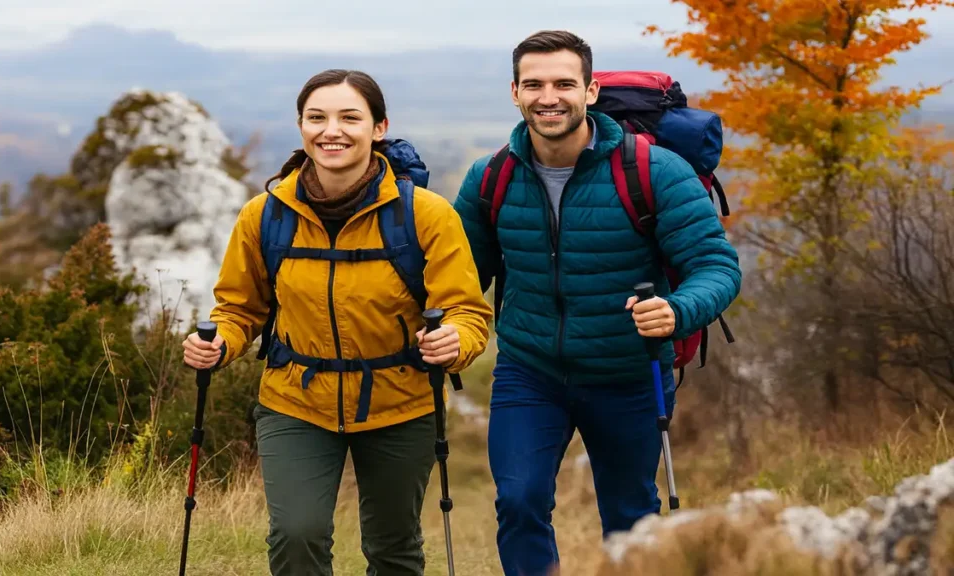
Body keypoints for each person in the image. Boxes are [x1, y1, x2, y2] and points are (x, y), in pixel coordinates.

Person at [452, 31, 742, 576]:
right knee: (518, 503)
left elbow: (716, 267)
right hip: (529, 372)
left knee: (630, 519)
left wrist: (677, 311)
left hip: (629, 373)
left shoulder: (653, 171)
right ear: (514, 92)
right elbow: (460, 277)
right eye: (534, 84)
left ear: (590, 90)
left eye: (564, 83)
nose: (549, 96)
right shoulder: (491, 177)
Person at [182, 68, 492, 575]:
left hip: (401, 402)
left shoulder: (426, 216)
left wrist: (455, 340)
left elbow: (467, 309)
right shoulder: (264, 216)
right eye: (317, 118)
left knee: (394, 548)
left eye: (351, 117)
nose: (332, 130)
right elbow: (239, 309)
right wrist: (219, 345)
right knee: (295, 534)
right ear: (301, 127)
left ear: (379, 128)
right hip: (295, 400)